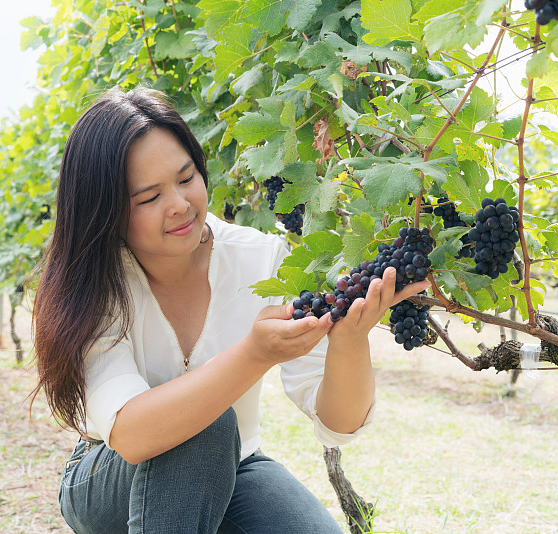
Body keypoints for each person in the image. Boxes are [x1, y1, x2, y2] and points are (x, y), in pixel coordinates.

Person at [31, 87, 430, 533]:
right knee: (208, 426)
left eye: (186, 179)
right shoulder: (94, 283)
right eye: (148, 198)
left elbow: (339, 423)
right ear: (105, 210)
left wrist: (350, 341)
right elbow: (131, 434)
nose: (180, 204)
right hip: (108, 476)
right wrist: (254, 355)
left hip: (235, 465)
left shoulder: (261, 259)